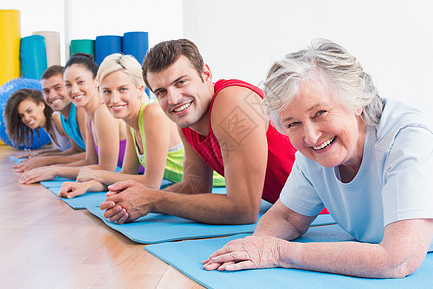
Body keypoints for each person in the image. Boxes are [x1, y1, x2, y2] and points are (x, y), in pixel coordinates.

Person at [203, 39, 433, 278]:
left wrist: (279, 252)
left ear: (356, 102)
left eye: (320, 112)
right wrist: (254, 248)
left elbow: (397, 260)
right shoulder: (313, 153)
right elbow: (287, 217)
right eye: (293, 123)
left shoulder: (410, 140)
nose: (310, 136)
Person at [99, 39, 298, 225]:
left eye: (181, 82)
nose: (174, 99)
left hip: (322, 213)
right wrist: (134, 198)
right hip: (294, 210)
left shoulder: (233, 103)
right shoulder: (188, 120)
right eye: (161, 92)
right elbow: (195, 187)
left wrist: (153, 199)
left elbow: (244, 209)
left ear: (206, 74)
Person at [58, 53, 185, 198]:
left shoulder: (153, 113)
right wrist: (85, 186)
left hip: (214, 184)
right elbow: (127, 174)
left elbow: (151, 183)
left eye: (122, 89)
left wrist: (97, 174)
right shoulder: (131, 124)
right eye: (107, 91)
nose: (114, 99)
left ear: (140, 89)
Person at [19, 53, 128, 184]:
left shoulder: (103, 112)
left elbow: (106, 169)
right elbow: (90, 161)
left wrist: (54, 170)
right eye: (68, 85)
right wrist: (50, 168)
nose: (74, 90)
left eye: (80, 82)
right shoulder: (90, 114)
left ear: (96, 80)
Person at [12, 65, 86, 172]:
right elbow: (78, 150)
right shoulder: (64, 116)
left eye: (58, 88)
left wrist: (49, 164)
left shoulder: (79, 111)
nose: (52, 96)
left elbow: (93, 157)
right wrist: (41, 156)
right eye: (46, 91)